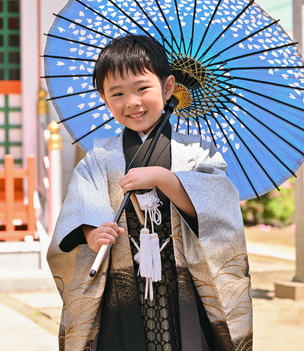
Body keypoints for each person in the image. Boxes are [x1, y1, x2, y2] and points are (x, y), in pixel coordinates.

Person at [47, 34, 252, 351]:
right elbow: (80, 211)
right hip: (122, 286)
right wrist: (92, 234)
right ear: (104, 98)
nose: (132, 101)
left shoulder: (197, 153)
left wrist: (165, 178)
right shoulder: (100, 159)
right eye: (117, 93)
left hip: (183, 283)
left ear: (168, 87)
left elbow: (218, 212)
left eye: (142, 88)